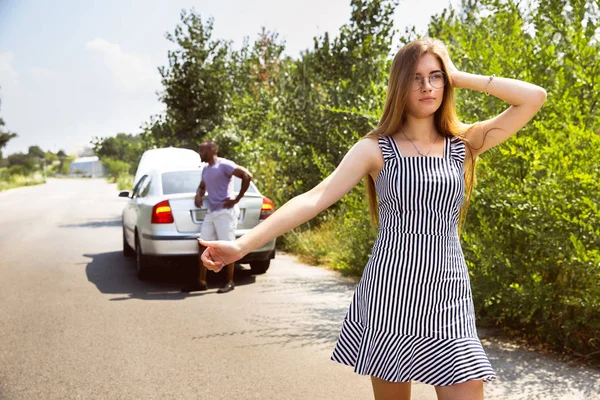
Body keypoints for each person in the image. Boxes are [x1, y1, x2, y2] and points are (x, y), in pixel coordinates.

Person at [198, 38, 547, 399]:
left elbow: (533, 97)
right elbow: (314, 198)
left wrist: (459, 75)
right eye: (415, 78)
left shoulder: (464, 143)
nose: (426, 86)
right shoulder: (375, 148)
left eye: (435, 76)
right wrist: (241, 245)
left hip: (450, 291)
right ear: (399, 85)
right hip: (391, 292)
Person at [182, 141, 253, 294]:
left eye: (202, 150)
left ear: (212, 149)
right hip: (212, 211)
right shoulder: (206, 169)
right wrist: (198, 194)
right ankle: (201, 281)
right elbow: (202, 186)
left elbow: (247, 176)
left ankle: (230, 281)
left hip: (225, 212)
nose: (200, 153)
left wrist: (237, 199)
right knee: (202, 243)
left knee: (228, 245)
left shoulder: (224, 165)